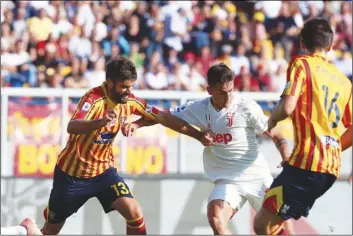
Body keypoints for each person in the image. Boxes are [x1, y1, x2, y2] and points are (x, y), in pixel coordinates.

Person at [40, 57, 214, 235]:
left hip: (103, 173)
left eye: (131, 86)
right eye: (124, 87)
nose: (128, 91)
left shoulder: (131, 101)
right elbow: (72, 126)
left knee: (134, 212)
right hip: (71, 176)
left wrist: (198, 135)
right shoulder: (93, 99)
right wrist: (100, 122)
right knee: (50, 230)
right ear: (110, 83)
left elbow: (163, 117)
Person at [122, 63, 291, 235]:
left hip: (256, 176)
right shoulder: (200, 108)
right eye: (222, 93)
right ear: (209, 90)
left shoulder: (246, 107)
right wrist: (137, 123)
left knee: (275, 229)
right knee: (216, 219)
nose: (228, 97)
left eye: (231, 90)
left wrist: (286, 156)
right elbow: (164, 116)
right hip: (227, 180)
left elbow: (276, 134)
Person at [253, 18, 353, 235]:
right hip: (330, 169)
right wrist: (332, 148)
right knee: (275, 222)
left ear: (302, 43)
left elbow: (287, 107)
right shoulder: (344, 82)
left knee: (262, 226)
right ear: (330, 45)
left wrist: (269, 121)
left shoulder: (302, 64)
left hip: (306, 164)